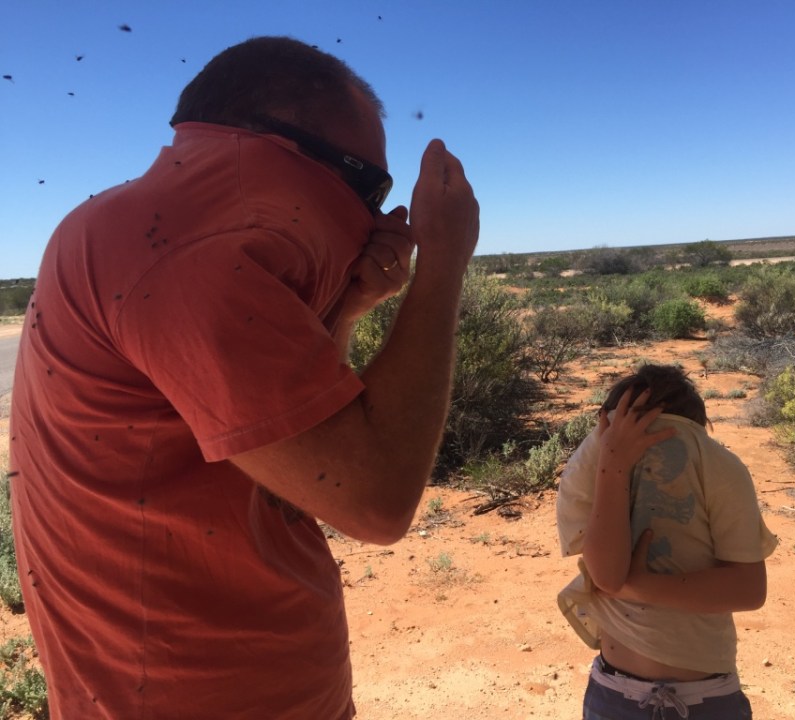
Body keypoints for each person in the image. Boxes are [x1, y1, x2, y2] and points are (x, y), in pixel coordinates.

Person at [8, 36, 479, 719]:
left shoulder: (126, 225)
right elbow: (375, 499)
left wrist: (344, 309)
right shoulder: (187, 253)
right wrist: (442, 266)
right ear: (279, 145)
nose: (381, 220)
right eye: (369, 186)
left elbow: (293, 444)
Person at [556, 364, 778, 719]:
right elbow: (608, 574)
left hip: (706, 698)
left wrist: (638, 587)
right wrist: (612, 466)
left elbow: (749, 588)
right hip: (616, 693)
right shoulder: (595, 468)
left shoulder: (719, 470)